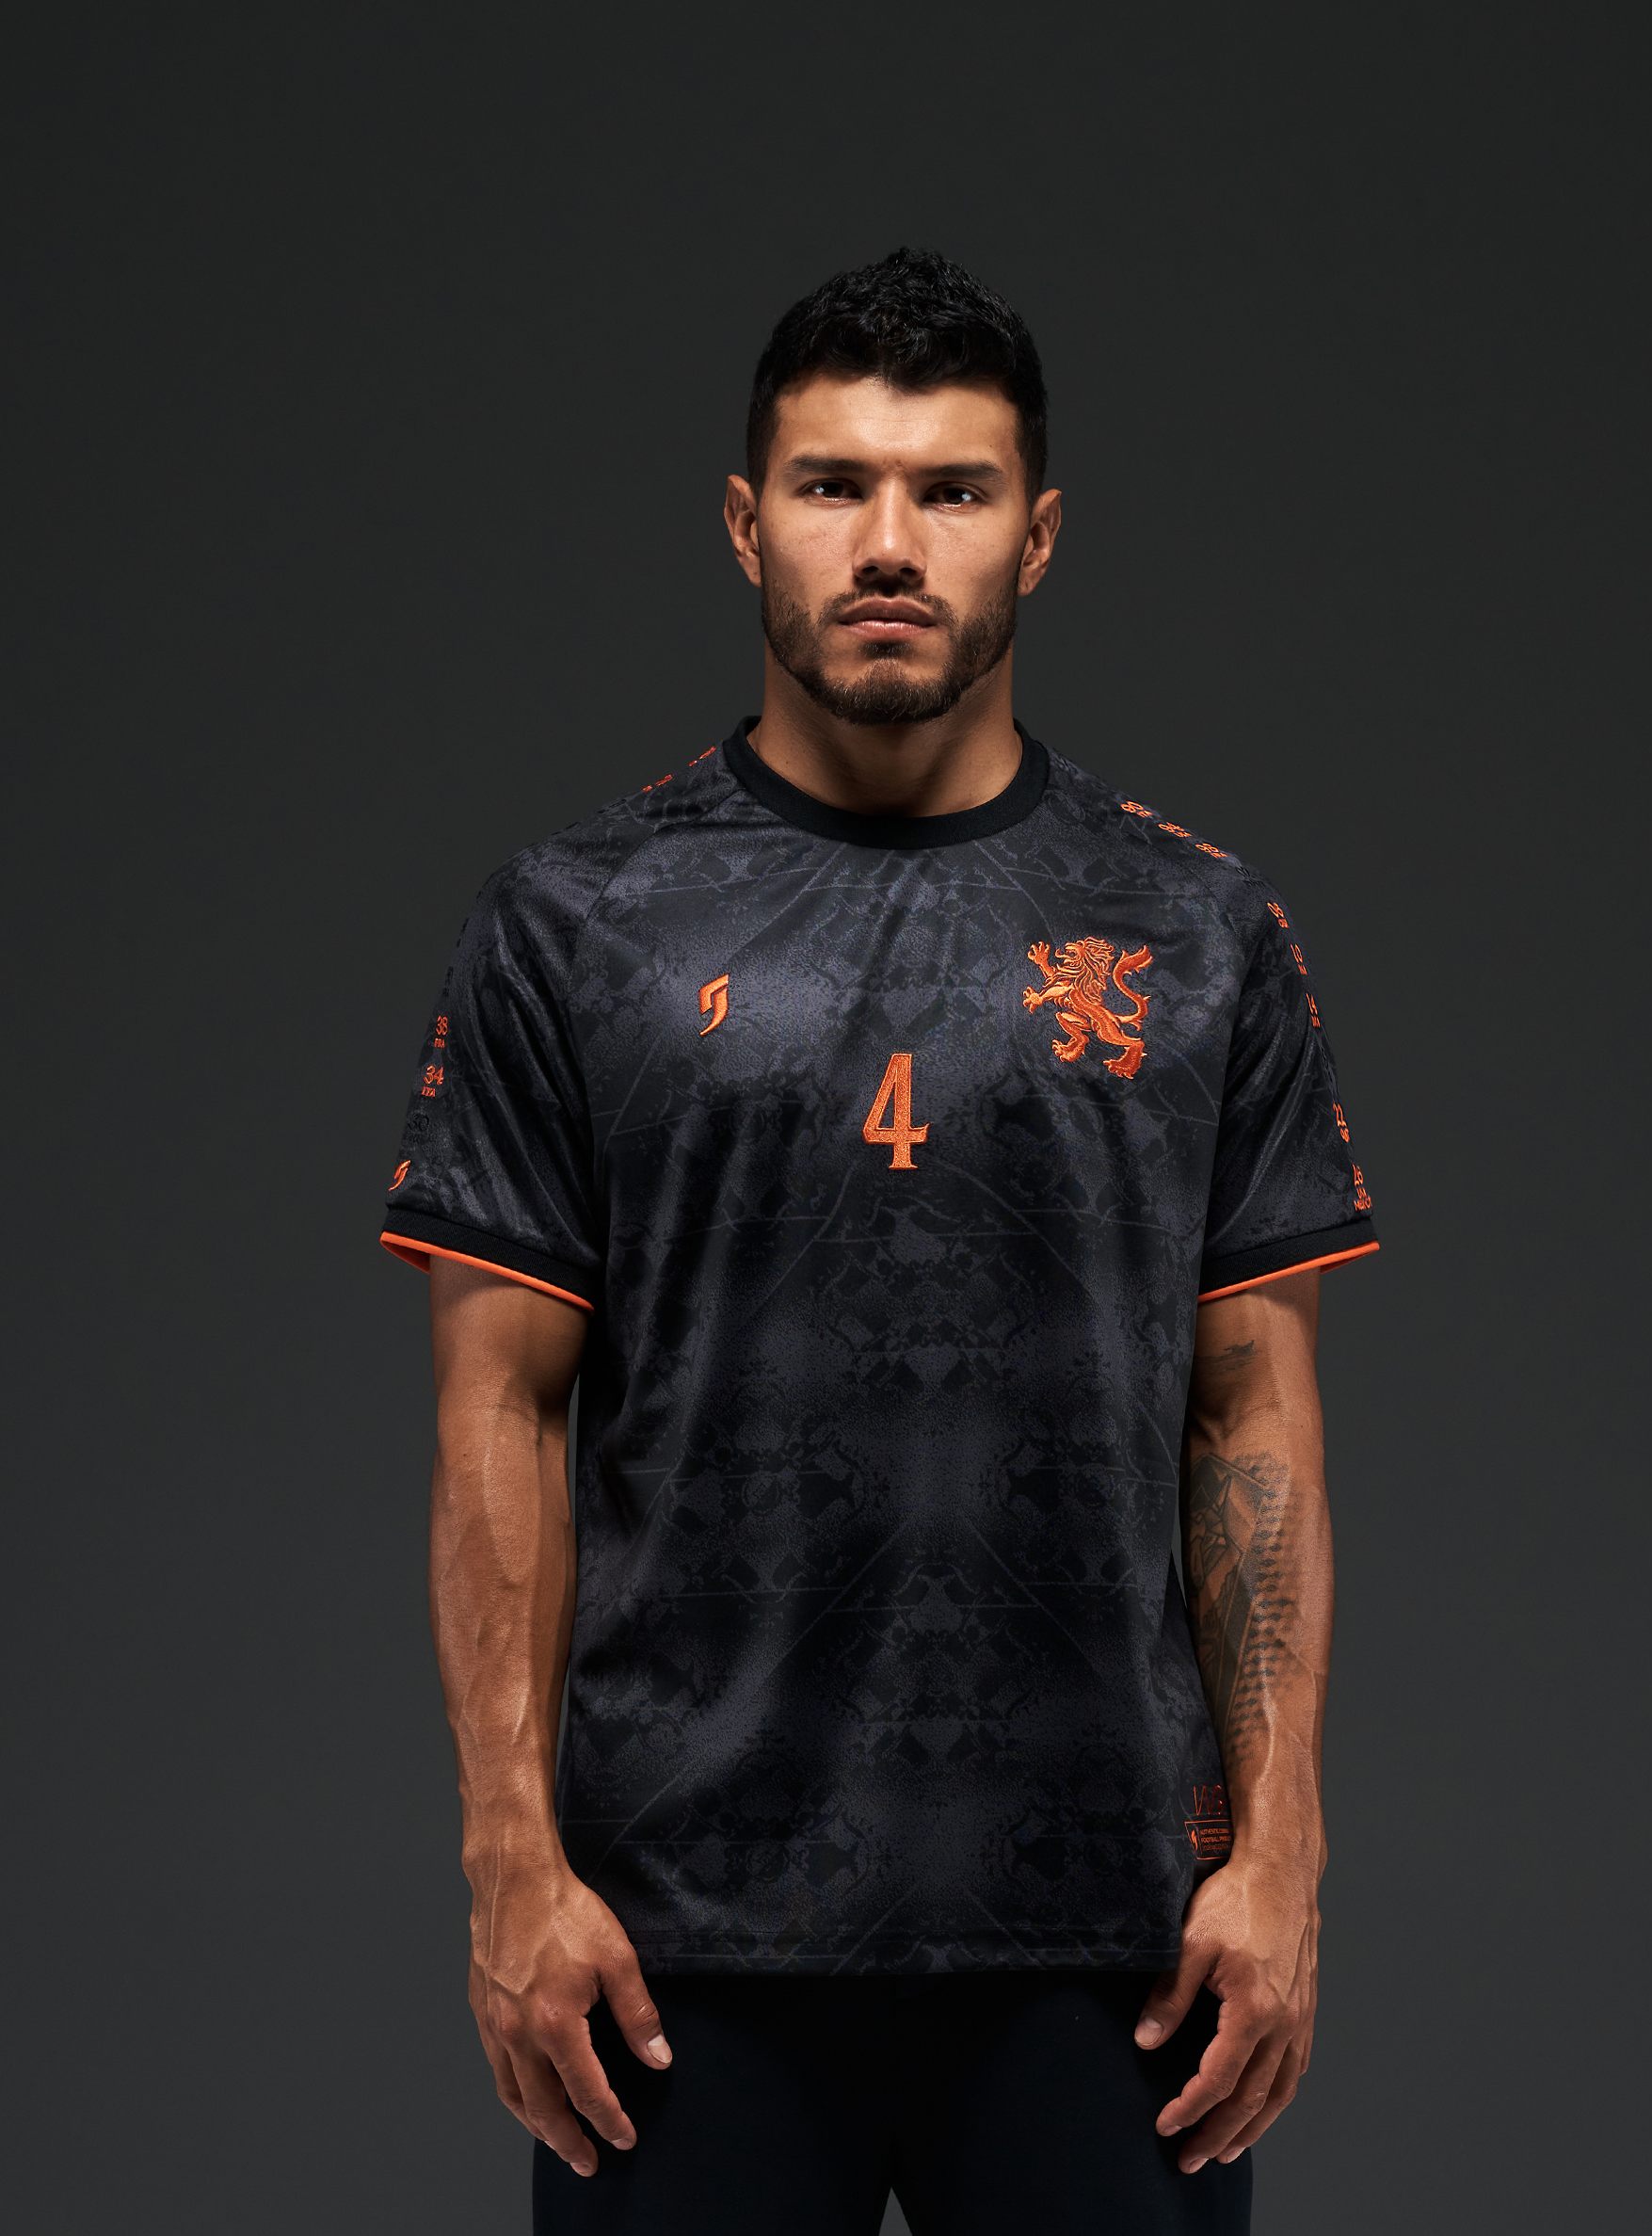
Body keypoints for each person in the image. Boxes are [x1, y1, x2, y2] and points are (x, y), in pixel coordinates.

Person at [379, 247, 1377, 2235]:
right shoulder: (575, 924)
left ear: (1039, 533)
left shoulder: (1197, 933)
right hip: (676, 1951)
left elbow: (1250, 1419)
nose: (892, 543)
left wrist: (1280, 1856)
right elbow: (497, 1412)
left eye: (953, 489)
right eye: (834, 484)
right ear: (746, 521)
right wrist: (509, 1861)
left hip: (1115, 1945)